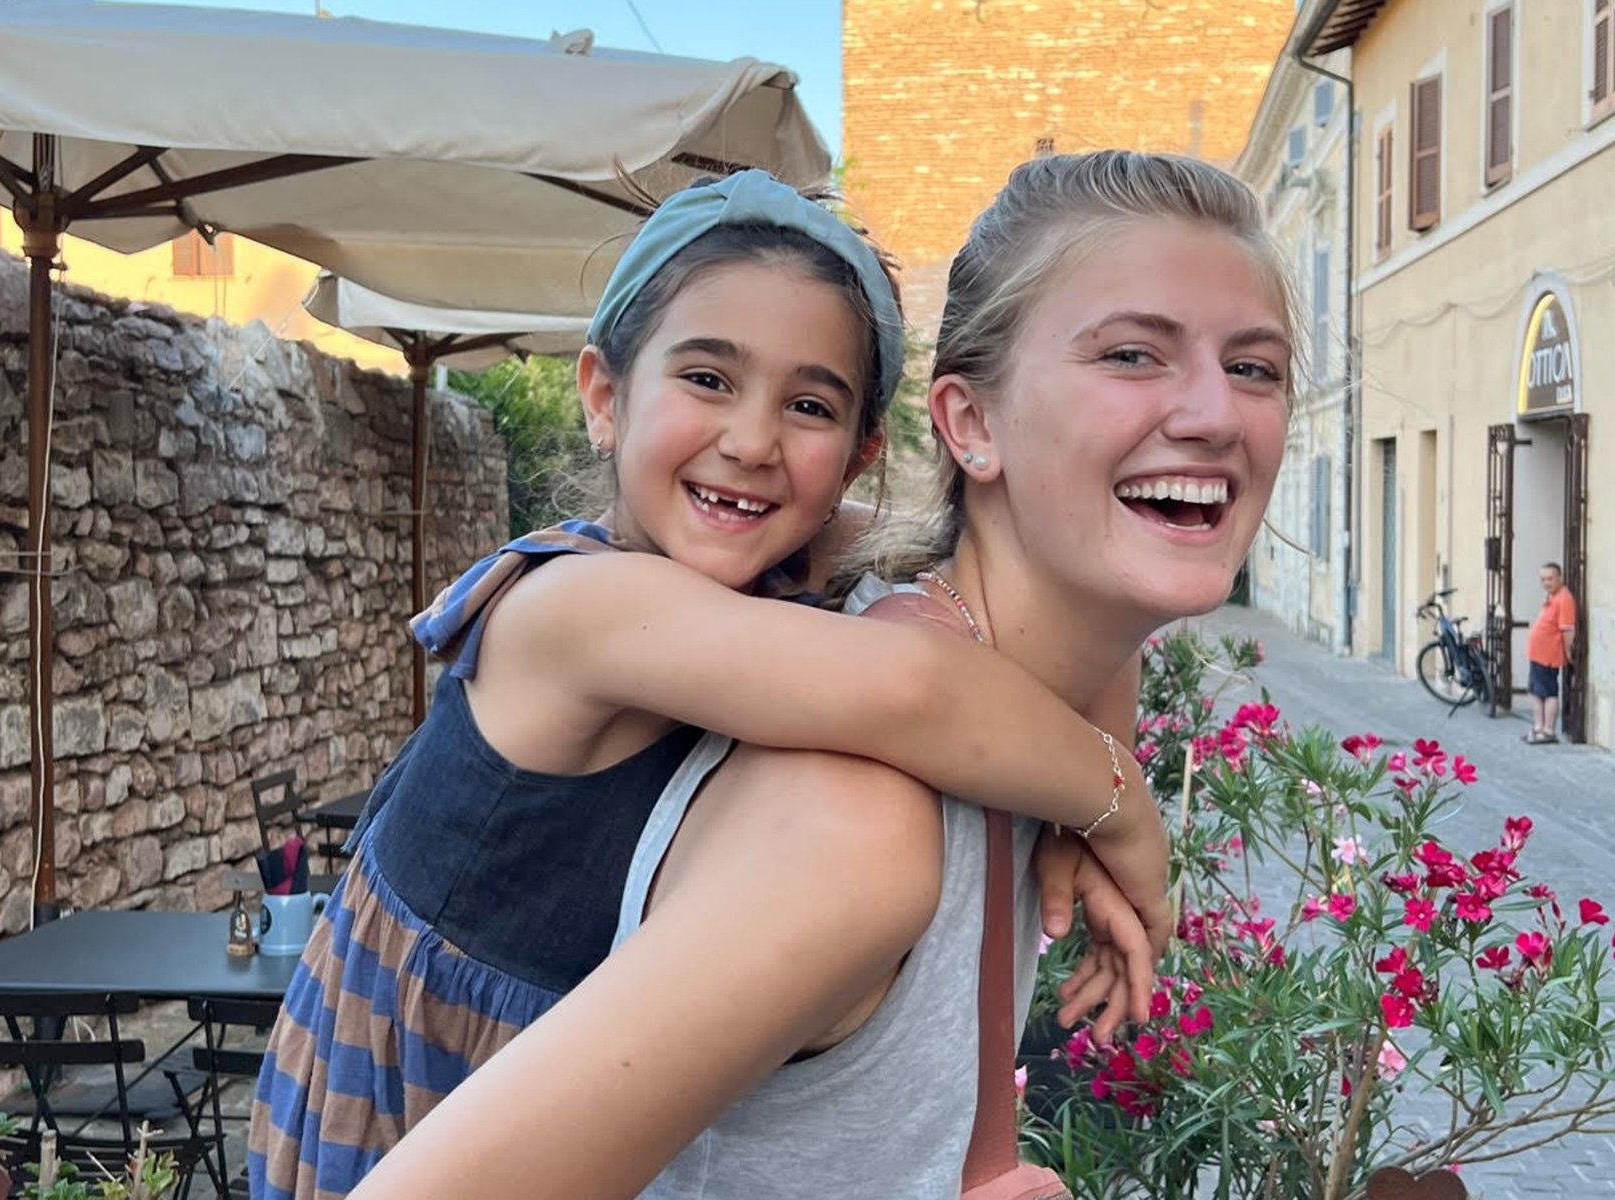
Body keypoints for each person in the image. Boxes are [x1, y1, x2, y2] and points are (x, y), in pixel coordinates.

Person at [351, 149, 1295, 1199]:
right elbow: (909, 685)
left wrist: (1092, 782)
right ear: (966, 425)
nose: (1215, 414)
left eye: (1255, 367)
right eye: (1131, 353)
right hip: (400, 1073)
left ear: (851, 456)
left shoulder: (843, 595)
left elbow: (961, 598)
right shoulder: (826, 802)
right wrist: (1121, 808)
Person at [1524, 561, 1577, 744]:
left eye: (1550, 578)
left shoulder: (1564, 598)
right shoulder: (1553, 596)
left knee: (1548, 692)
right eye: (1543, 579)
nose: (1546, 583)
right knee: (1535, 691)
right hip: (1538, 653)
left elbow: (1567, 629)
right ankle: (1539, 728)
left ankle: (1548, 731)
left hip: (1548, 655)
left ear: (1560, 578)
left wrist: (1568, 650)